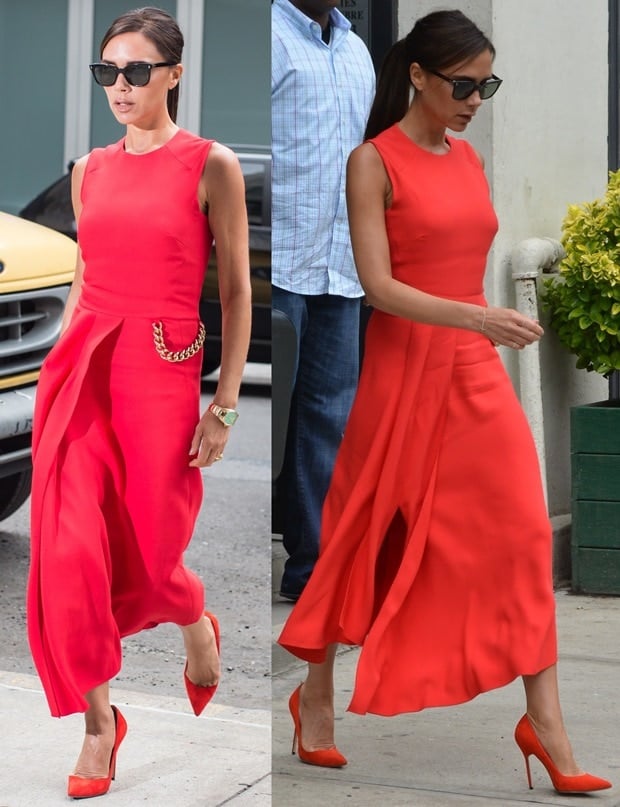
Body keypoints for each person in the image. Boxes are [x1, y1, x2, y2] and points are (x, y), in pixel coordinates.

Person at [278, 9, 612, 795]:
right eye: (463, 84)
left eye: (486, 85)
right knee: (359, 533)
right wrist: (480, 316)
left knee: (525, 534)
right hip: (405, 366)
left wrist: (478, 324)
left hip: (473, 369)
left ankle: (546, 724)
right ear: (420, 76)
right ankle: (315, 697)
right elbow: (379, 286)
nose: (474, 100)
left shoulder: (467, 161)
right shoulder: (372, 161)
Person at [26, 6, 251, 799]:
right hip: (83, 372)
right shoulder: (89, 169)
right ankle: (99, 726)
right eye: (107, 73)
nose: (119, 88)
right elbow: (88, 277)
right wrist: (56, 367)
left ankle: (194, 616)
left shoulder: (210, 164)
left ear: (174, 74)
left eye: (136, 72)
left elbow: (236, 290)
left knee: (152, 556)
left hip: (160, 376)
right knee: (69, 555)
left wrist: (222, 404)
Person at [271, 0, 375, 601]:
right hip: (283, 266)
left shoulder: (357, 51)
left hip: (341, 268)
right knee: (278, 423)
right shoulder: (273, 37)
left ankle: (313, 574)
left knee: (328, 425)